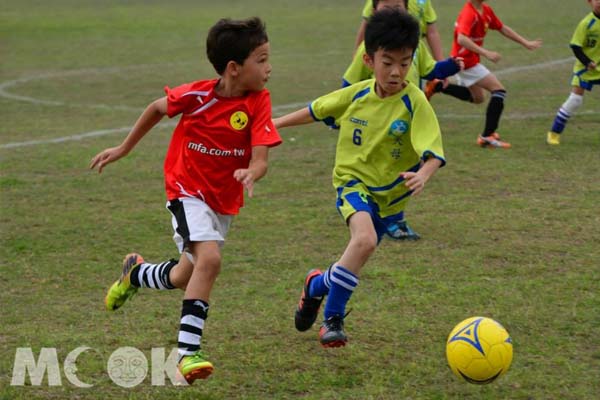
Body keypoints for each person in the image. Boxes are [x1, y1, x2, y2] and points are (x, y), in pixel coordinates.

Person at [89, 17, 281, 383]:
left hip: (222, 201)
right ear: (233, 68)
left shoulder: (259, 102)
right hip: (185, 190)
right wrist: (124, 148)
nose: (269, 67)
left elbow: (261, 158)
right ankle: (187, 354)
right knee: (210, 259)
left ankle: (136, 274)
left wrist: (252, 172)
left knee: (183, 275)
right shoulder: (197, 96)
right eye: (261, 59)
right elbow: (157, 107)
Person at [274, 8, 445, 347]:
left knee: (356, 253)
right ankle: (333, 319)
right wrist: (272, 126)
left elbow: (433, 151)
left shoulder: (415, 103)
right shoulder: (358, 94)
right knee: (364, 241)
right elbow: (316, 110)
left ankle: (315, 286)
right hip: (352, 183)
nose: (396, 72)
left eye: (405, 62)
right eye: (387, 62)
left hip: (390, 198)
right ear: (369, 60)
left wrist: (423, 174)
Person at [342, 0, 462, 241]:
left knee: (408, 166)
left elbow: (429, 69)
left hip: (407, 116)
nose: (392, 12)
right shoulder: (370, 51)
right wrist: (342, 114)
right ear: (373, 10)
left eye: (398, 7)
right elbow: (348, 86)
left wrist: (448, 67)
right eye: (386, 7)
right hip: (376, 122)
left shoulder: (414, 45)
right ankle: (384, 216)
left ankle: (390, 216)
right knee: (380, 167)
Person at [448, 0, 542, 149]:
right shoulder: (469, 13)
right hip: (464, 61)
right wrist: (486, 53)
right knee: (499, 91)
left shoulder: (485, 10)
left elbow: (502, 28)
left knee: (478, 98)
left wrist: (525, 42)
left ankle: (439, 86)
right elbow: (461, 38)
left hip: (468, 60)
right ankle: (487, 136)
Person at [547, 0, 600, 145]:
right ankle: (554, 133)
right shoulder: (586, 23)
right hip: (586, 68)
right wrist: (587, 62)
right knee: (575, 100)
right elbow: (576, 46)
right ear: (590, 2)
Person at [354, 0, 444, 62]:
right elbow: (366, 27)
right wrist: (357, 57)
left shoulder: (423, 1)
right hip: (383, 51)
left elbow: (432, 32)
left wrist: (440, 61)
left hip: (411, 53)